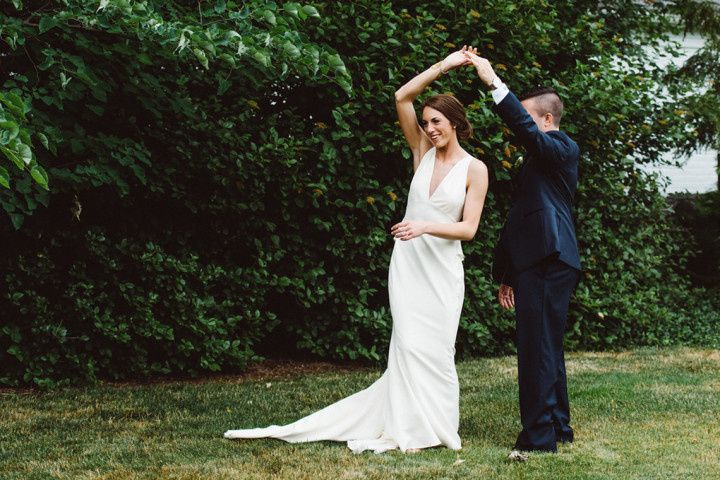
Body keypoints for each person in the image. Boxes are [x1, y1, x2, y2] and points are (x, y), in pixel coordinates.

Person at [224, 48, 489, 454]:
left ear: (455, 122)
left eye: (437, 122)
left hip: (442, 269)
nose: (430, 128)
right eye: (426, 123)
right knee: (408, 344)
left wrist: (423, 225)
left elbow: (468, 229)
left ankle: (438, 427)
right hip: (408, 265)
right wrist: (445, 65)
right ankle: (408, 426)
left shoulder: (475, 169)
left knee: (436, 348)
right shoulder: (420, 151)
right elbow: (402, 97)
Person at [463, 49, 582, 459]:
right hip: (540, 259)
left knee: (537, 348)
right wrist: (508, 274)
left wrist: (494, 82)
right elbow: (521, 218)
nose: (526, 129)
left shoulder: (562, 147)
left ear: (547, 120)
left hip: (550, 258)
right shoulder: (539, 162)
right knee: (546, 345)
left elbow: (526, 133)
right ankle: (557, 428)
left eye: (530, 119)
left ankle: (538, 438)